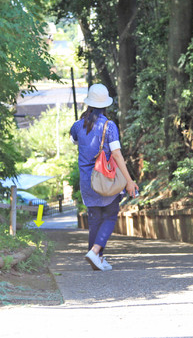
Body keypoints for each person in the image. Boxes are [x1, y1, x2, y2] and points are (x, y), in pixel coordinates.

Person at [70, 84, 139, 271]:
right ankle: (95, 251)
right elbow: (116, 154)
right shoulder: (109, 126)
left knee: (94, 220)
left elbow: (75, 141)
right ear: (105, 105)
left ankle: (98, 259)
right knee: (109, 216)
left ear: (89, 104)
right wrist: (129, 180)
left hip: (87, 180)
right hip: (106, 178)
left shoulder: (77, 126)